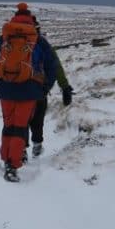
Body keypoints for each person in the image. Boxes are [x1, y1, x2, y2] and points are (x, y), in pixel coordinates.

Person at [0, 3, 57, 182]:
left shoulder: (3, 39)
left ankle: (8, 159)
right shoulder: (38, 40)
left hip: (5, 89)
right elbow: (53, 67)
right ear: (30, 20)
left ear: (14, 18)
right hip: (29, 91)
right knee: (20, 127)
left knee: (8, 125)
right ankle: (13, 165)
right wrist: (44, 88)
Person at [26, 15, 74, 157]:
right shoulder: (42, 44)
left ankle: (21, 149)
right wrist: (64, 87)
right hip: (39, 87)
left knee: (21, 119)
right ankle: (37, 145)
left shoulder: (11, 42)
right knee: (38, 118)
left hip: (16, 87)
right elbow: (56, 66)